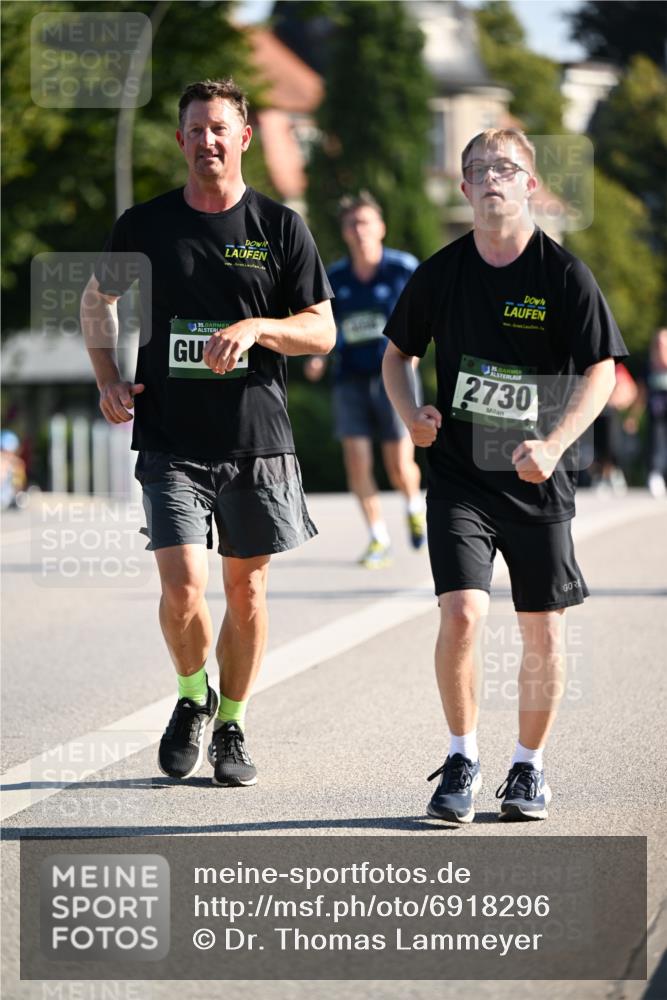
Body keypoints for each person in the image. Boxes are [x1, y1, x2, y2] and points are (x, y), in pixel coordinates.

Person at [82, 78, 335, 788]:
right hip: (170, 439)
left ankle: (231, 721)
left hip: (256, 439)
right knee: (183, 587)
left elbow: (322, 329)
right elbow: (96, 300)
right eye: (194, 130)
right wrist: (106, 372)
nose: (207, 141)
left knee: (247, 595)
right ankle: (192, 699)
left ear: (244, 138)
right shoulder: (145, 225)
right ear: (180, 141)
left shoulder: (280, 227)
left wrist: (258, 327)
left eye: (219, 128)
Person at [383, 128, 627, 822]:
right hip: (460, 474)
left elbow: (601, 370)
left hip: (533, 478)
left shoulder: (562, 275)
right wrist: (411, 416)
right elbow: (395, 356)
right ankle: (461, 755)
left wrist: (553, 443)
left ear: (528, 185)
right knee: (462, 611)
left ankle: (528, 768)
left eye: (505, 167)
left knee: (541, 630)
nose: (491, 177)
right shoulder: (440, 272)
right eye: (478, 169)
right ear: (463, 191)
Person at [304, 192, 425, 568]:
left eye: (366, 223)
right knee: (356, 461)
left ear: (381, 228)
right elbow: (326, 325)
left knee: (398, 464)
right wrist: (316, 357)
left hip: (396, 376)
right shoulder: (336, 277)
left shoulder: (403, 268)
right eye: (352, 224)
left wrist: (413, 361)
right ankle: (378, 537)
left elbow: (423, 319)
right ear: (344, 232)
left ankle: (412, 504)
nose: (359, 231)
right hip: (350, 378)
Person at [645, 327, 667, 498]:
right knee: (656, 442)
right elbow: (640, 390)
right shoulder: (649, 367)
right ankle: (655, 475)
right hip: (656, 412)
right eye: (659, 344)